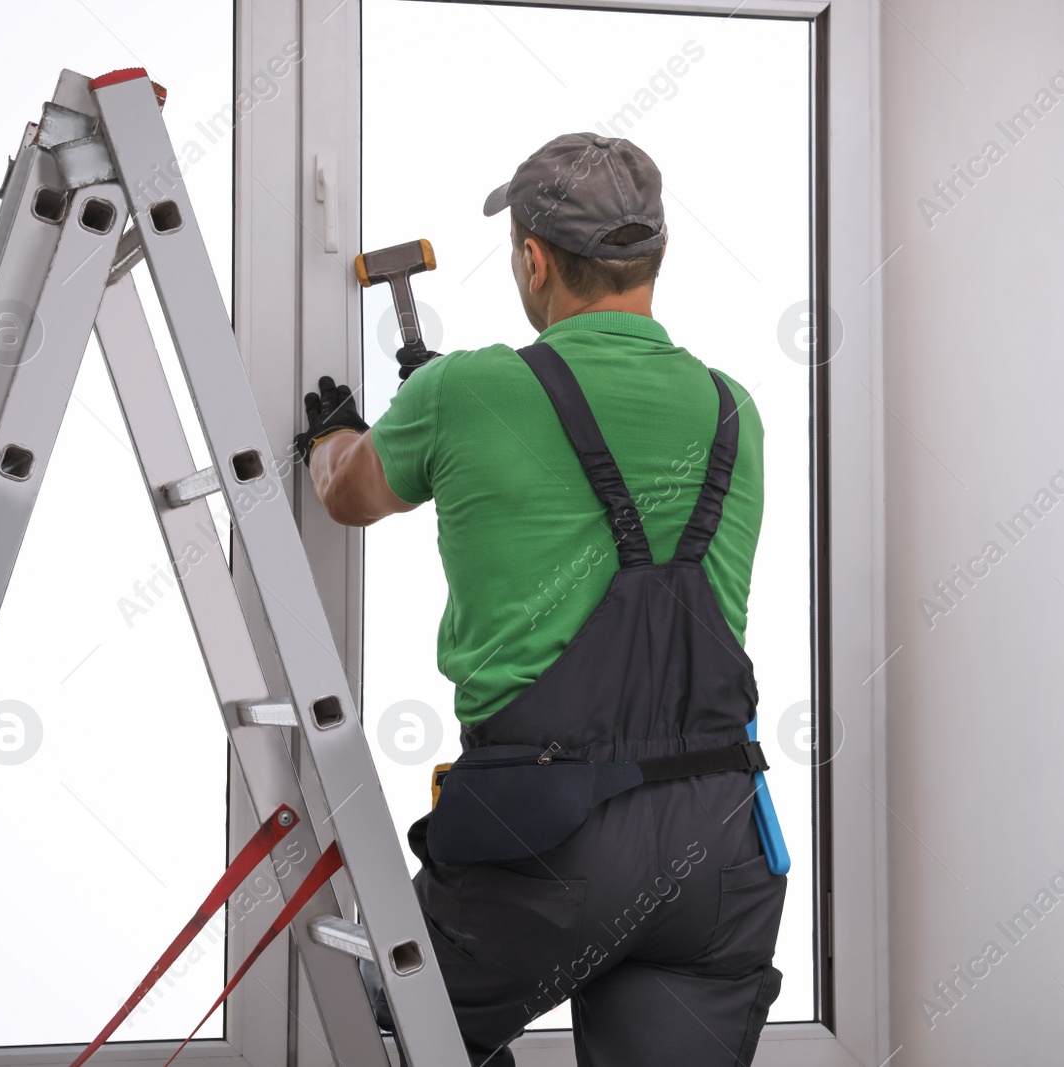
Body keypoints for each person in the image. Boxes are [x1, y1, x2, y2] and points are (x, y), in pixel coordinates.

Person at [293, 132, 785, 1066]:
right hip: (720, 852)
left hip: (546, 847)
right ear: (654, 256)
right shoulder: (733, 409)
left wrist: (338, 432)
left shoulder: (466, 388)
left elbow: (346, 493)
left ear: (533, 257)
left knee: (394, 1011)